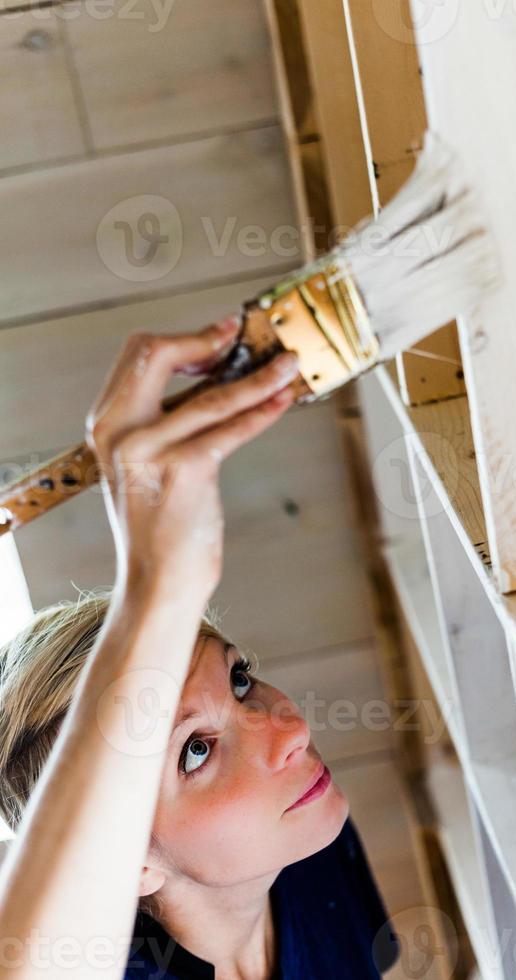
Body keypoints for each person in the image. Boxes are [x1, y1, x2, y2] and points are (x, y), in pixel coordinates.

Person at [0, 319, 400, 979]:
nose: (290, 729)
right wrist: (159, 590)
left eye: (241, 680)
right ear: (131, 863)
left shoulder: (302, 841)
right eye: (195, 749)